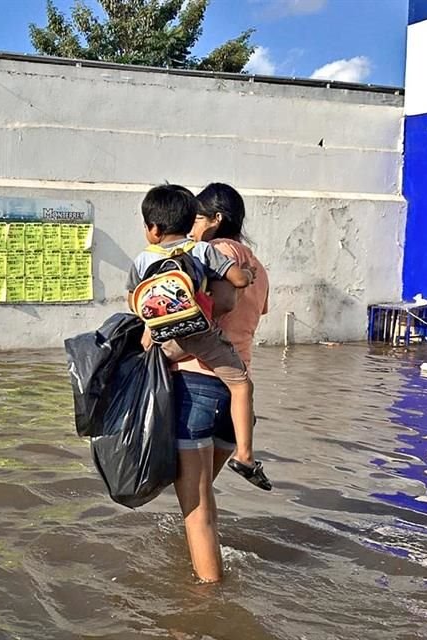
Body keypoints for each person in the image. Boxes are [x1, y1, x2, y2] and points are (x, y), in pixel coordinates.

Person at [127, 185, 270, 490]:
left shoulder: (146, 258)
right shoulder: (227, 257)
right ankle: (245, 455)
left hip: (190, 375)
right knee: (242, 385)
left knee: (196, 503)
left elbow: (133, 301)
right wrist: (247, 275)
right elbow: (238, 300)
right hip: (218, 362)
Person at [167, 182, 270, 583]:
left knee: (197, 510)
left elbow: (223, 304)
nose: (191, 229)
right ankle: (203, 565)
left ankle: (209, 605)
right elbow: (253, 313)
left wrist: (171, 345)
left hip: (200, 385)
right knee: (201, 497)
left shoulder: (218, 254)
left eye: (196, 219)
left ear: (216, 220)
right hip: (235, 392)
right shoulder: (256, 265)